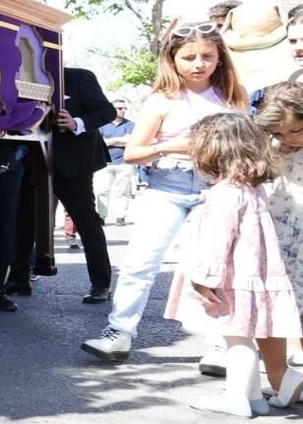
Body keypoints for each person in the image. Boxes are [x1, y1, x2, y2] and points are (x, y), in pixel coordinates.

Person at [83, 23, 245, 361]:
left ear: (219, 58)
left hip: (216, 189)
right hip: (165, 187)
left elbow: (242, 147)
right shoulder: (160, 100)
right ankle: (120, 331)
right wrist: (175, 146)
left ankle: (219, 344)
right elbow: (132, 153)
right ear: (173, 59)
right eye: (189, 57)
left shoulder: (233, 97)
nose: (198, 64)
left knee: (215, 268)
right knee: (140, 263)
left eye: (206, 56)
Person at [165, 113, 299, 416]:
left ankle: (236, 397)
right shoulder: (250, 188)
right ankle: (253, 397)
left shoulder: (225, 192)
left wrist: (203, 279)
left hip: (232, 279)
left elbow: (217, 241)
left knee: (237, 340)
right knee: (243, 337)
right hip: (255, 275)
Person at [252, 80, 303, 402]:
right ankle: (281, 378)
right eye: (279, 133)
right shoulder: (266, 149)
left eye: (296, 130)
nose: (287, 139)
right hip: (273, 239)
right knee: (269, 309)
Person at [50, 66, 117, 305]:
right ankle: (19, 278)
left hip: (73, 163)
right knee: (25, 221)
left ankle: (101, 283)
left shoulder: (79, 77)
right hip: (32, 160)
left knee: (86, 221)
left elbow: (106, 111)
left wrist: (76, 122)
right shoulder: (17, 76)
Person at [95, 100, 136, 225]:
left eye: (124, 108)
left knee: (122, 192)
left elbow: (130, 141)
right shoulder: (102, 124)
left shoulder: (130, 125)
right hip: (104, 163)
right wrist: (120, 140)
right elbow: (100, 143)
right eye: (119, 108)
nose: (123, 111)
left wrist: (110, 141)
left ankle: (120, 217)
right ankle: (101, 216)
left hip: (124, 163)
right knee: (102, 191)